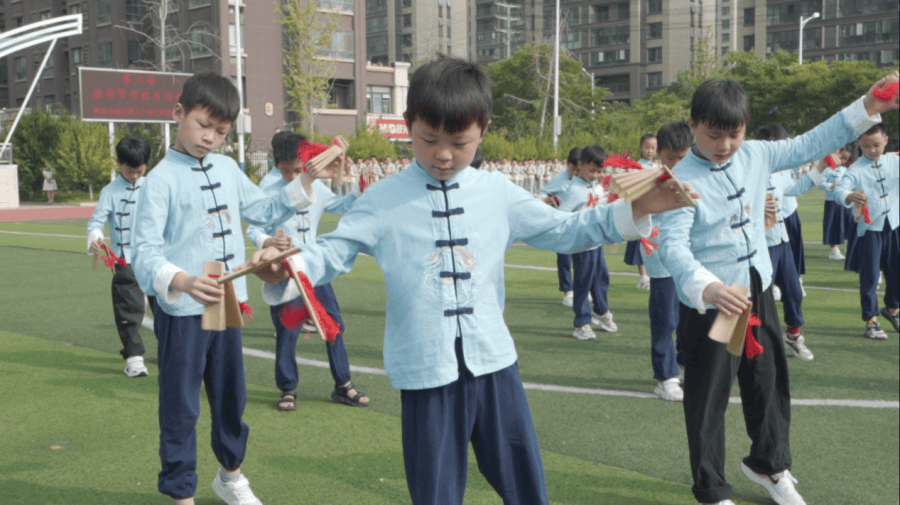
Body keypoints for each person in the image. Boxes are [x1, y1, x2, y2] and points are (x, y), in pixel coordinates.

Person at [248, 55, 695, 505]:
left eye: (459, 142)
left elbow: (564, 229)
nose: (443, 154)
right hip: (426, 372)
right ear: (408, 125)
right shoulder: (382, 199)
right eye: (428, 139)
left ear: (483, 129)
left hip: (494, 363)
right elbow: (334, 251)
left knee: (525, 484)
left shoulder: (496, 191)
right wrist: (287, 266)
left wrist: (638, 209)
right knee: (436, 493)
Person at [656, 74, 896, 505]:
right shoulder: (679, 180)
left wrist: (867, 107)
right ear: (693, 125)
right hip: (719, 302)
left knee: (768, 383)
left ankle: (769, 464)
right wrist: (705, 287)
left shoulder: (757, 154)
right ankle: (711, 488)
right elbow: (673, 247)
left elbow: (812, 141)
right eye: (714, 135)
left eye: (735, 134)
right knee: (710, 393)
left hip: (757, 290)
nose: (726, 145)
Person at [132, 72, 323, 505]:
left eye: (221, 131)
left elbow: (263, 208)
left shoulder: (228, 167)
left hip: (227, 303)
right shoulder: (159, 180)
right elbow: (143, 252)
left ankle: (230, 475)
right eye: (203, 125)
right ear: (178, 113)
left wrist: (307, 180)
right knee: (180, 406)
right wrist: (180, 280)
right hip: (183, 309)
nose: (210, 138)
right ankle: (182, 493)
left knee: (230, 396)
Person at [246, 132, 370, 411]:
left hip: (315, 271)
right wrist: (267, 242)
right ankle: (287, 389)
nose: (294, 176)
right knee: (288, 331)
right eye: (288, 171)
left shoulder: (315, 182)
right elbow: (254, 226)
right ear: (277, 164)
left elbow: (340, 207)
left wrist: (358, 190)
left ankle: (343, 385)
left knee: (333, 326)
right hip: (286, 274)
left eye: (299, 169)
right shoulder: (267, 187)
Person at [86, 136, 154, 378]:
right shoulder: (110, 191)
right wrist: (95, 237)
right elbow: (96, 221)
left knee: (168, 307)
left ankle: (173, 352)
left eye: (139, 170)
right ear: (118, 163)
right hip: (125, 259)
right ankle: (134, 358)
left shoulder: (154, 185)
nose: (135, 175)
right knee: (128, 311)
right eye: (129, 170)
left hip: (157, 257)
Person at [756, 122, 822, 361]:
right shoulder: (750, 172)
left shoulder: (782, 172)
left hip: (782, 242)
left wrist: (822, 167)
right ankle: (735, 346)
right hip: (758, 245)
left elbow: (799, 187)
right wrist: (756, 208)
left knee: (794, 293)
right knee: (753, 299)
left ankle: (793, 336)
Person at [832, 122, 900, 340]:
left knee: (896, 270)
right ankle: (871, 320)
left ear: (886, 141)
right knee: (870, 275)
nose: (872, 150)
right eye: (866, 145)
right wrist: (849, 195)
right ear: (859, 143)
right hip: (869, 229)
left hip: (895, 225)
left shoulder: (894, 161)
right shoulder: (855, 169)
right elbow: (839, 190)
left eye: (877, 145)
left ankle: (893, 309)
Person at [641, 122, 692, 401]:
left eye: (682, 158)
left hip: (688, 258)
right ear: (658, 153)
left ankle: (682, 364)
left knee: (690, 314)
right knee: (665, 319)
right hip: (660, 259)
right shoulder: (647, 179)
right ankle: (665, 377)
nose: (676, 164)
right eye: (670, 158)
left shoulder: (697, 175)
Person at [558, 145, 616, 340]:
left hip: (596, 242)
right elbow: (562, 216)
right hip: (582, 243)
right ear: (580, 165)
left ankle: (601, 311)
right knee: (583, 282)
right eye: (592, 170)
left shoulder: (598, 187)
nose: (595, 175)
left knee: (601, 278)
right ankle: (582, 322)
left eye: (600, 171)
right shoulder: (573, 190)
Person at [539, 147, 581, 307]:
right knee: (565, 258)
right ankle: (568, 291)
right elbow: (542, 194)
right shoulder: (559, 179)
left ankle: (581, 289)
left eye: (578, 170)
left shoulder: (585, 180)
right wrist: (545, 200)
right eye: (572, 169)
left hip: (580, 223)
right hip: (562, 224)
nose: (575, 173)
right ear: (567, 164)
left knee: (581, 259)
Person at [821, 145, 853, 260]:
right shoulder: (827, 170)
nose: (843, 161)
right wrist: (832, 186)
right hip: (832, 201)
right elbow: (820, 183)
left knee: (848, 224)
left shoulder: (845, 170)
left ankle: (850, 247)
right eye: (842, 158)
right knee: (833, 226)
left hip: (844, 201)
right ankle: (834, 250)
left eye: (846, 159)